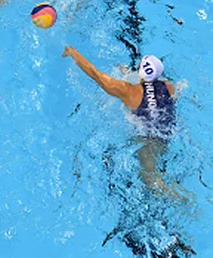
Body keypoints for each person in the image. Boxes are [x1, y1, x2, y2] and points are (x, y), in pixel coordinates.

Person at [62, 46, 189, 202]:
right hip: (167, 137)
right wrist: (128, 74)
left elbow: (96, 75)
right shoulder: (169, 87)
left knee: (150, 181)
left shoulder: (129, 91)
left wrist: (74, 53)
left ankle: (186, 201)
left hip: (147, 142)